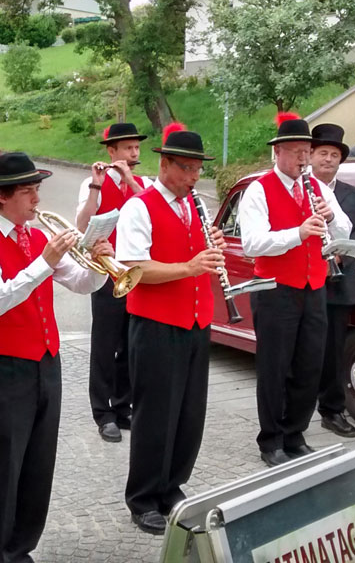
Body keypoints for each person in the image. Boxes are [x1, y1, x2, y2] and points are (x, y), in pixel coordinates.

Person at [0, 152, 110, 563]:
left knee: (38, 465)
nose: (36, 199)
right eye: (28, 191)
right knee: (5, 470)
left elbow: (82, 283)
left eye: (36, 190)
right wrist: (42, 264)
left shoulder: (35, 237)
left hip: (47, 362)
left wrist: (100, 266)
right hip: (7, 367)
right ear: (4, 197)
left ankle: (21, 549)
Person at [116, 125, 222, 535]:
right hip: (156, 324)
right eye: (187, 168)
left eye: (198, 169)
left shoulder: (194, 205)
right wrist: (190, 266)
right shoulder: (139, 208)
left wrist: (209, 254)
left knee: (189, 413)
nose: (195, 177)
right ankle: (142, 497)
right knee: (155, 414)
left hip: (196, 320)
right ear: (164, 165)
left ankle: (172, 485)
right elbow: (135, 268)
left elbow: (198, 255)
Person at [237, 114, 351, 468]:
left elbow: (344, 231)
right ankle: (270, 439)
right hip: (275, 289)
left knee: (309, 365)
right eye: (297, 152)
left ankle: (295, 433)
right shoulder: (259, 189)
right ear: (279, 153)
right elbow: (252, 243)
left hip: (314, 285)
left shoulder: (316, 188)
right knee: (274, 366)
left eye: (307, 151)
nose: (304, 159)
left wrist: (330, 219)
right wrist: (297, 234)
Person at [75, 122, 148, 443]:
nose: (134, 153)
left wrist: (130, 179)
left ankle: (123, 406)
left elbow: (153, 211)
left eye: (136, 148)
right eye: (128, 149)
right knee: (104, 348)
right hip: (106, 275)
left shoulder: (143, 183)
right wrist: (96, 185)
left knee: (130, 348)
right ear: (111, 151)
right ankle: (102, 413)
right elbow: (81, 223)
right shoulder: (93, 183)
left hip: (136, 275)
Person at [310, 124, 355, 439]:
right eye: (323, 153)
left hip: (338, 281)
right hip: (303, 280)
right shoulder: (299, 188)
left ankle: (332, 410)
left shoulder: (353, 195)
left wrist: (339, 258)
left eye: (334, 155)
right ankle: (294, 411)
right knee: (303, 350)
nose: (329, 160)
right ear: (311, 156)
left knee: (333, 351)